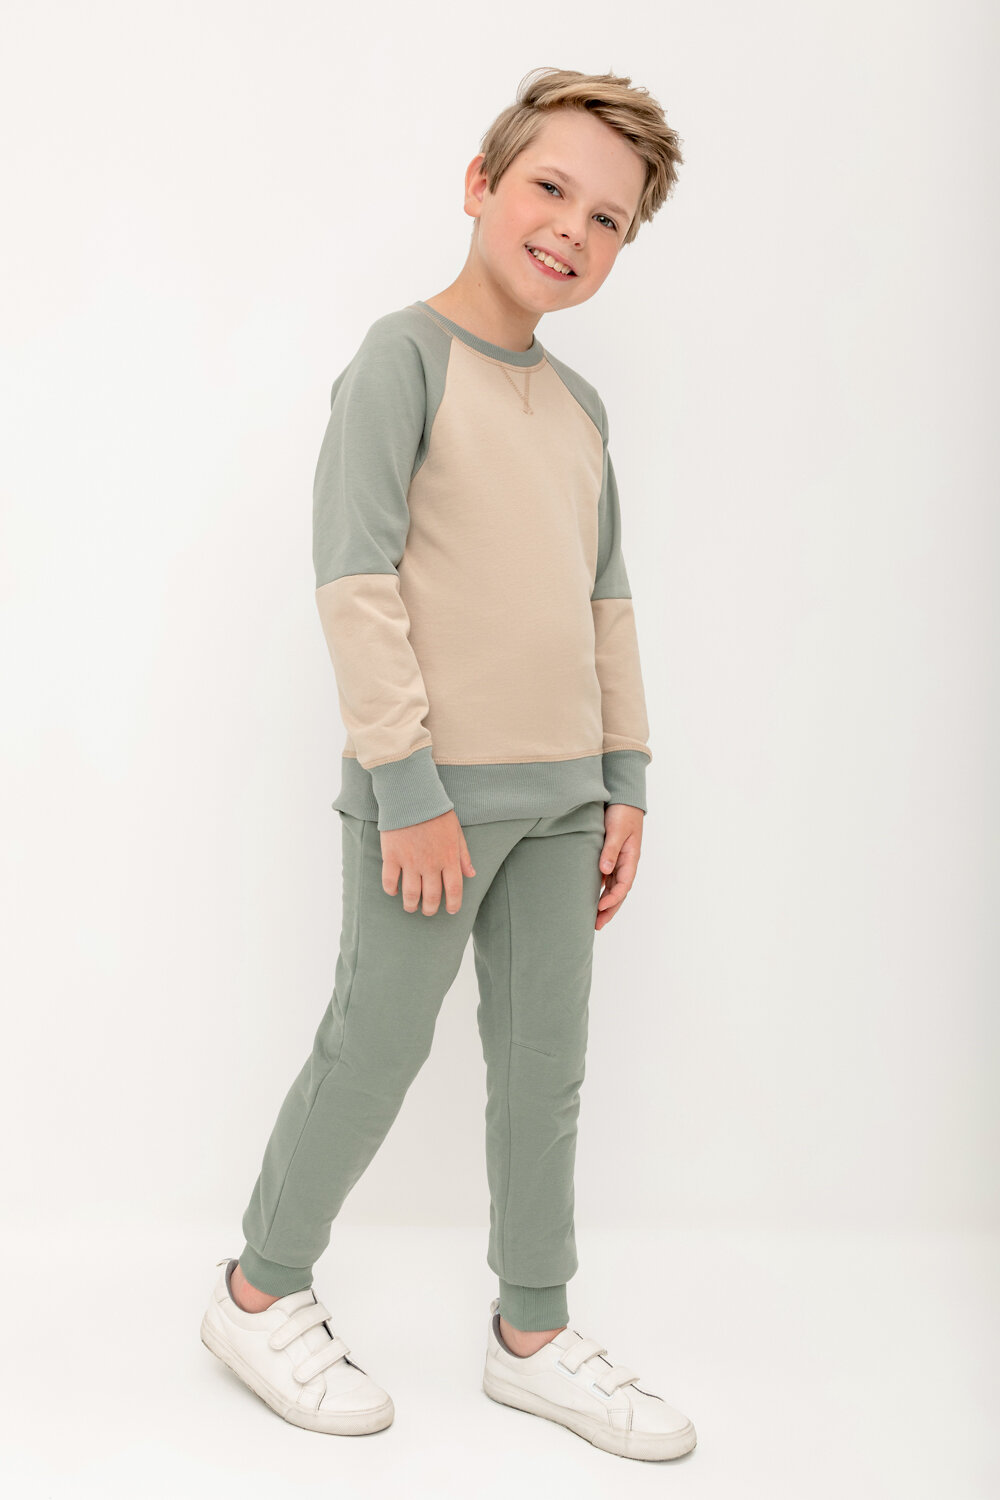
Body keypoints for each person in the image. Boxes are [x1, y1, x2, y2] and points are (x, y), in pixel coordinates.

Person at [200, 65, 695, 1463]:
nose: (571, 229)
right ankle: (258, 1291)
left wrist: (627, 779)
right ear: (481, 185)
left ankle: (532, 1332)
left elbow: (606, 600)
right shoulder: (401, 361)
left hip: (564, 803)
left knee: (546, 1072)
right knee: (375, 1048)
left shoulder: (582, 408)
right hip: (432, 803)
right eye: (550, 189)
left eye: (607, 219)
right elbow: (356, 584)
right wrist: (408, 790)